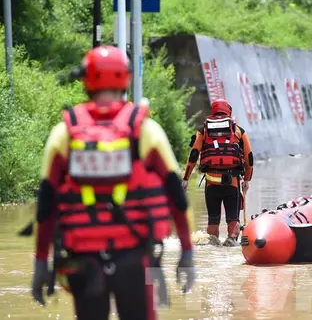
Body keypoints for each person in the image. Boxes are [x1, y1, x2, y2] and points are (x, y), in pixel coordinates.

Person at [29, 46, 196, 320]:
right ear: (126, 79)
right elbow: (178, 197)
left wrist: (39, 262)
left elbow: (45, 207)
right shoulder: (146, 131)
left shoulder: (64, 134)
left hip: (83, 261)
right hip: (136, 258)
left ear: (86, 80)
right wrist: (187, 252)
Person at [182, 99, 254, 247]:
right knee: (233, 219)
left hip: (211, 183)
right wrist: (247, 180)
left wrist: (186, 178)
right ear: (229, 111)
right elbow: (250, 158)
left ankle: (212, 244)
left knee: (213, 219)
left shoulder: (203, 130)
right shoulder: (238, 130)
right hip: (232, 183)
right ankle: (231, 240)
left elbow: (194, 155)